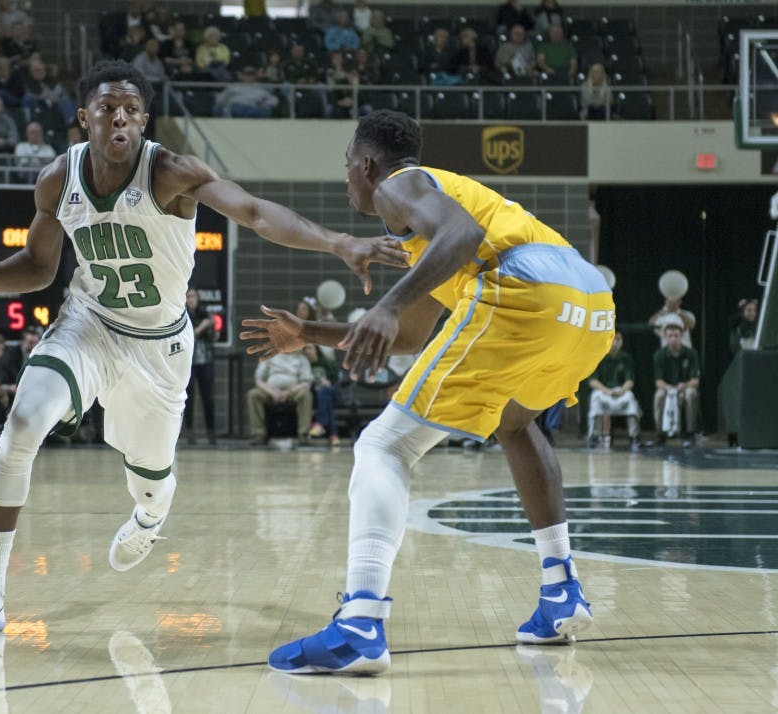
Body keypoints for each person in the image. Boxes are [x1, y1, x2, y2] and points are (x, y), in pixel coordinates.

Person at [0, 60, 407, 635]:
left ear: (144, 120)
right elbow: (39, 268)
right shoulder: (56, 179)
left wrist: (339, 241)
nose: (119, 117)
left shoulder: (170, 171)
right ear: (83, 117)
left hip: (160, 348)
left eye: (131, 110)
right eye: (106, 108)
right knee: (22, 422)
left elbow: (254, 212)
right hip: (88, 325)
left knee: (149, 479)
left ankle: (150, 513)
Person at [241, 109, 615, 674]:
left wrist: (385, 305)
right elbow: (412, 335)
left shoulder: (400, 186)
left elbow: (460, 240)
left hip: (522, 283)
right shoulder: (428, 235)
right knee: (513, 423)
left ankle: (359, 624)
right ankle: (562, 589)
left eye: (347, 166)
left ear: (366, 164)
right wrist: (308, 334)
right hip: (586, 298)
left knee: (384, 447)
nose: (347, 179)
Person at [246, 346, 314, 446]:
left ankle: (303, 434)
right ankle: (259, 434)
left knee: (306, 394)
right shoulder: (269, 355)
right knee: (253, 394)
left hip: (293, 392)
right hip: (270, 392)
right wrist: (272, 392)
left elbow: (306, 382)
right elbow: (259, 380)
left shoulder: (301, 358)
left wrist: (289, 392)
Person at [586, 331, 641, 449]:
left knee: (630, 398)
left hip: (620, 392)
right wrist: (606, 391)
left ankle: (634, 437)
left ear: (622, 342)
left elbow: (630, 381)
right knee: (595, 398)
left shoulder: (626, 358)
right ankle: (594, 436)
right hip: (603, 391)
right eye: (612, 339)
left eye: (618, 339)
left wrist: (622, 390)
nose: (615, 343)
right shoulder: (598, 357)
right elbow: (593, 381)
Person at [652, 321, 700, 445]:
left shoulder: (691, 353)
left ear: (681, 337)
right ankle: (660, 434)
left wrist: (685, 385)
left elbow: (695, 380)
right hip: (667, 389)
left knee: (691, 393)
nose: (673, 339)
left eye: (676, 335)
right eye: (670, 336)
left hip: (684, 388)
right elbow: (658, 381)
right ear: (665, 338)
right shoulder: (659, 355)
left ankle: (690, 433)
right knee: (659, 395)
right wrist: (667, 387)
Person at [183, 288, 216, 445]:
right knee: (188, 398)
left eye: (193, 296)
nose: (191, 299)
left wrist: (210, 325)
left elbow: (214, 337)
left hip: (205, 360)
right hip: (188, 363)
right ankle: (190, 432)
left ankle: (211, 432)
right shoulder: (182, 315)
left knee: (208, 398)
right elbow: (187, 336)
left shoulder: (205, 314)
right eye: (188, 296)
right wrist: (201, 327)